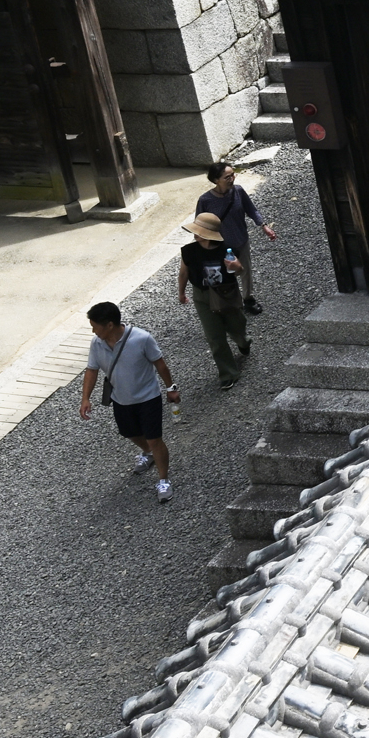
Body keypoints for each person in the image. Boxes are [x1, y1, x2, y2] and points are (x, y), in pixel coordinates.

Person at [80, 300, 180, 500]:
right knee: (129, 433)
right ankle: (147, 452)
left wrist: (170, 388)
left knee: (154, 438)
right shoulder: (97, 343)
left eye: (95, 327)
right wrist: (85, 398)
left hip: (148, 397)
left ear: (109, 325)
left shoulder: (142, 338)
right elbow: (92, 370)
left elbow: (160, 364)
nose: (93, 332)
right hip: (121, 399)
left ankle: (163, 480)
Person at [177, 211, 251, 383]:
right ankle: (228, 374)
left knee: (236, 324)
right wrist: (181, 292)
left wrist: (237, 266)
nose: (195, 234)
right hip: (202, 295)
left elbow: (239, 271)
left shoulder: (227, 250)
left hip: (227, 293)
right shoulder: (188, 251)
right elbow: (183, 273)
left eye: (199, 231)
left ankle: (243, 341)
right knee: (214, 336)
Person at [196, 160, 276, 314]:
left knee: (245, 271)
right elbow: (200, 225)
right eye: (227, 177)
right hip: (219, 246)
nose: (232, 179)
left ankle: (248, 299)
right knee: (224, 275)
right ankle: (227, 305)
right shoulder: (205, 201)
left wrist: (263, 225)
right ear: (215, 180)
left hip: (240, 240)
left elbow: (251, 210)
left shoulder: (238, 191)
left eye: (233, 175)